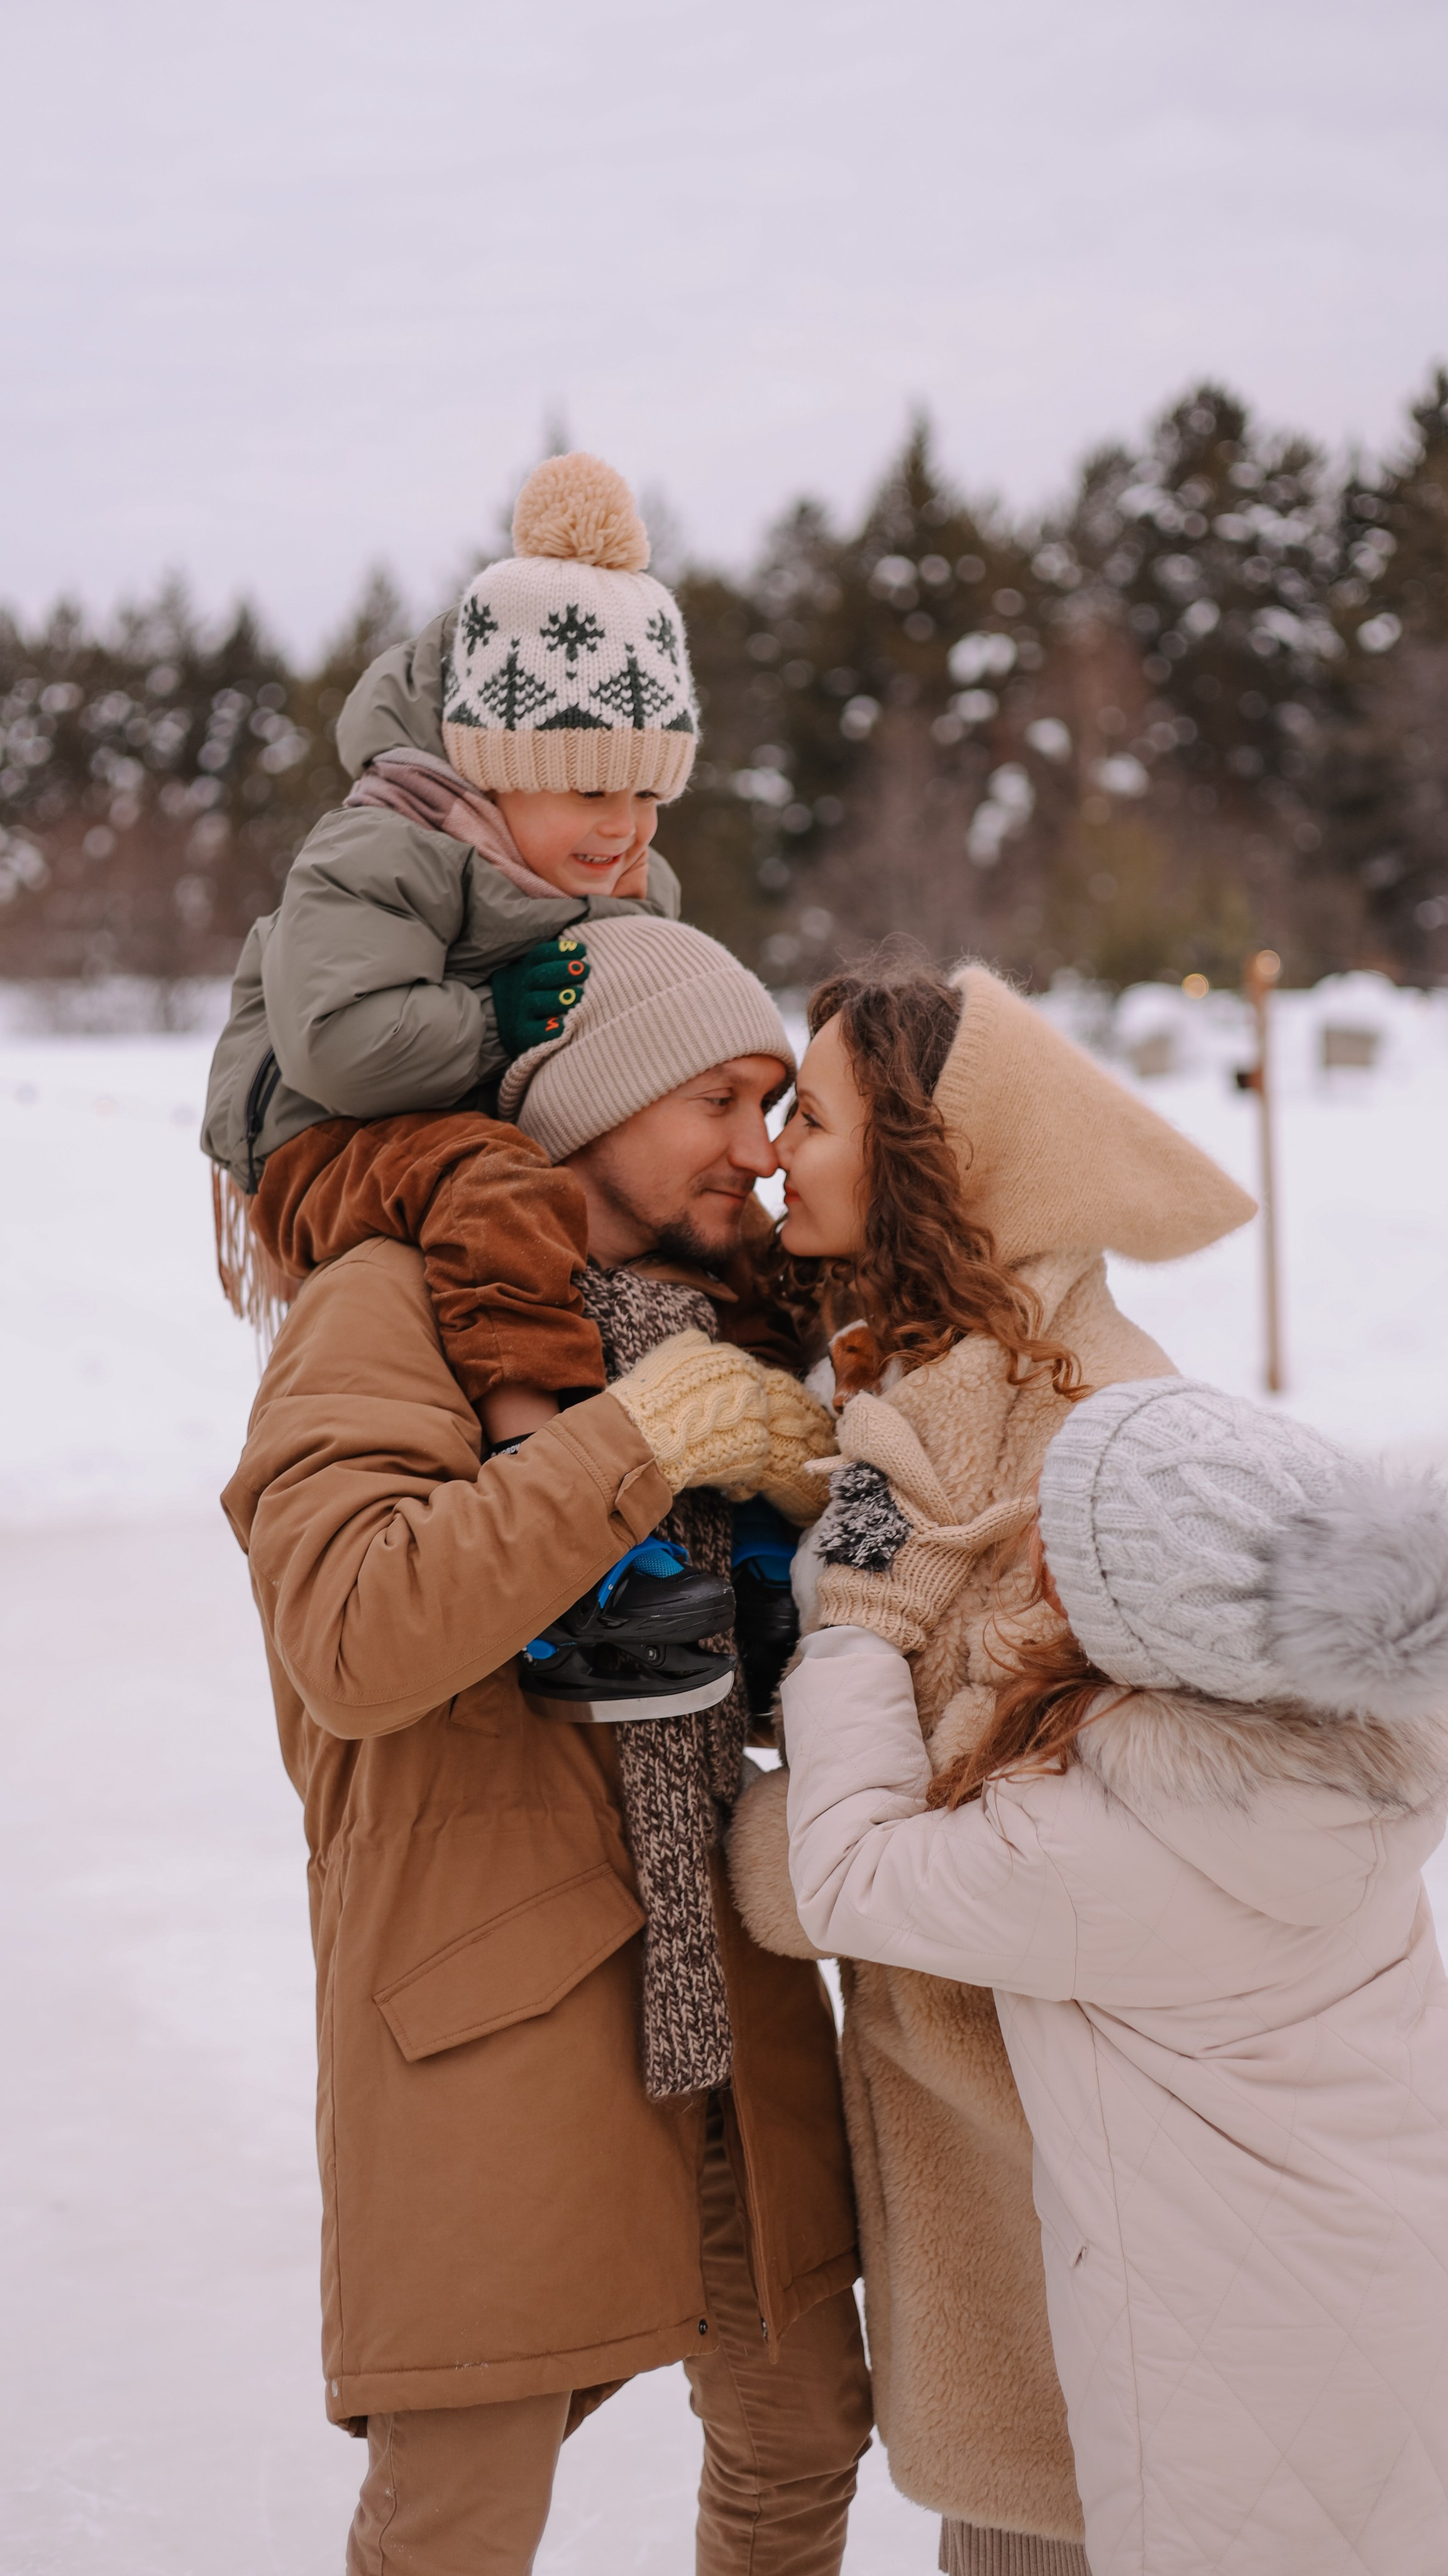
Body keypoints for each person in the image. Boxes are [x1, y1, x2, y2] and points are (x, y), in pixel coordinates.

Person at [221, 921, 871, 2575]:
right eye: (717, 1099)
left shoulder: (726, 1323)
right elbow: (355, 1634)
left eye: (778, 1100)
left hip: (726, 1979)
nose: (756, 1145)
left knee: (802, 2439)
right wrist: (640, 1443)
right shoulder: (390, 1305)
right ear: (592, 1103)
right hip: (495, 1986)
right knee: (463, 2514)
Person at [778, 1377, 1448, 2576]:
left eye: (1058, 1534)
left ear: (1129, 1613)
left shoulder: (1094, 1853)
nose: (1032, 1541)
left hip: (1240, 2378)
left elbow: (849, 1876)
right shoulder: (1348, 1756)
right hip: (1404, 2293)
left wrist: (855, 1627)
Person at [726, 956, 1256, 2575]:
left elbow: (930, 1854)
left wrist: (742, 1830)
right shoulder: (949, 1380)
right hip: (1005, 2162)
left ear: (925, 1160)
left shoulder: (1070, 1435)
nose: (768, 1152)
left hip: (1071, 2180)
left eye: (805, 1117)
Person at [202, 450, 695, 1443]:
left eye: (650, 794)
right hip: (317, 1136)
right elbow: (336, 1042)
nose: (629, 827)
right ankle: (537, 1459)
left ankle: (770, 1466)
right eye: (594, 791)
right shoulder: (384, 843)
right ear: (495, 771)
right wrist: (493, 1021)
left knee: (694, 1199)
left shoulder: (615, 873)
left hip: (466, 1122)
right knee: (495, 1183)